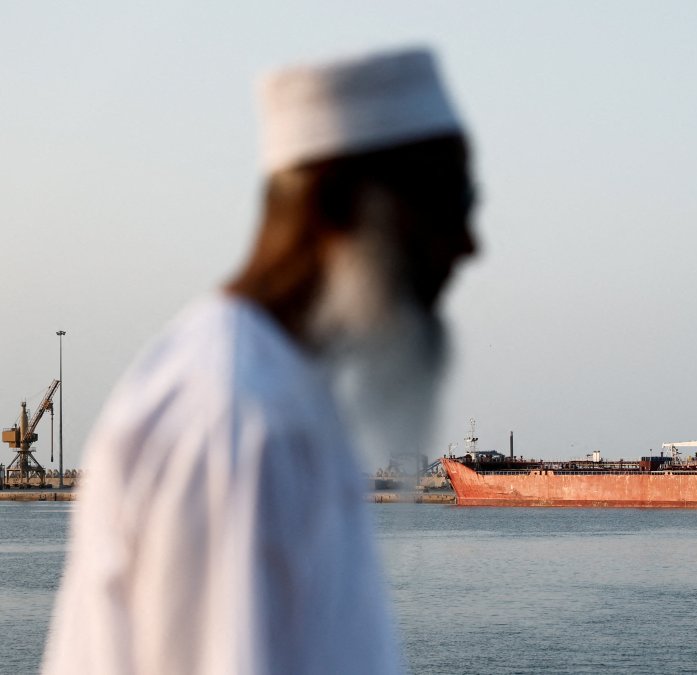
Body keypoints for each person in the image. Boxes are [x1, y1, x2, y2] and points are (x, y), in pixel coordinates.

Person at [41, 47, 475, 674]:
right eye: (452, 201)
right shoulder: (234, 419)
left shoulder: (279, 394)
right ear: (339, 202)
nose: (468, 243)